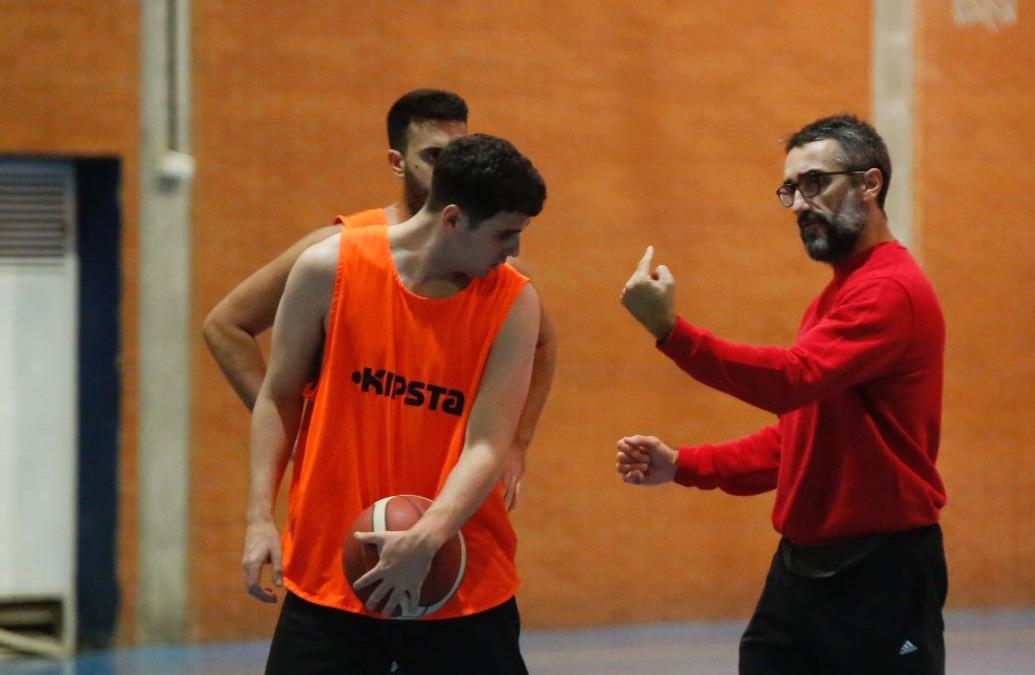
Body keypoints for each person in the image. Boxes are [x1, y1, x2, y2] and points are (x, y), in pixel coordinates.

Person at [617, 114, 948, 674]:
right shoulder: (836, 296)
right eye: (790, 189)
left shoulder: (890, 291)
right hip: (802, 570)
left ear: (870, 184)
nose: (798, 203)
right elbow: (800, 437)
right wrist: (684, 465)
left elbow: (791, 379)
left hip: (881, 570)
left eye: (815, 182)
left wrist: (672, 333)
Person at [243, 134, 545, 673]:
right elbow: (278, 394)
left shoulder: (514, 303)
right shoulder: (327, 269)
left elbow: (487, 443)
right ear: (452, 219)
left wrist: (427, 538)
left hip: (460, 575)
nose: (513, 250)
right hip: (335, 574)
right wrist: (259, 517)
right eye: (505, 233)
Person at [204, 89, 554, 510]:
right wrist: (297, 437)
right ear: (397, 162)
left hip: (442, 503)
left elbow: (543, 344)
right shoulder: (337, 253)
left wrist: (516, 442)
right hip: (348, 500)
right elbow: (226, 326)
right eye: (433, 156)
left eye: (455, 153)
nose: (447, 169)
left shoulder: (500, 276)